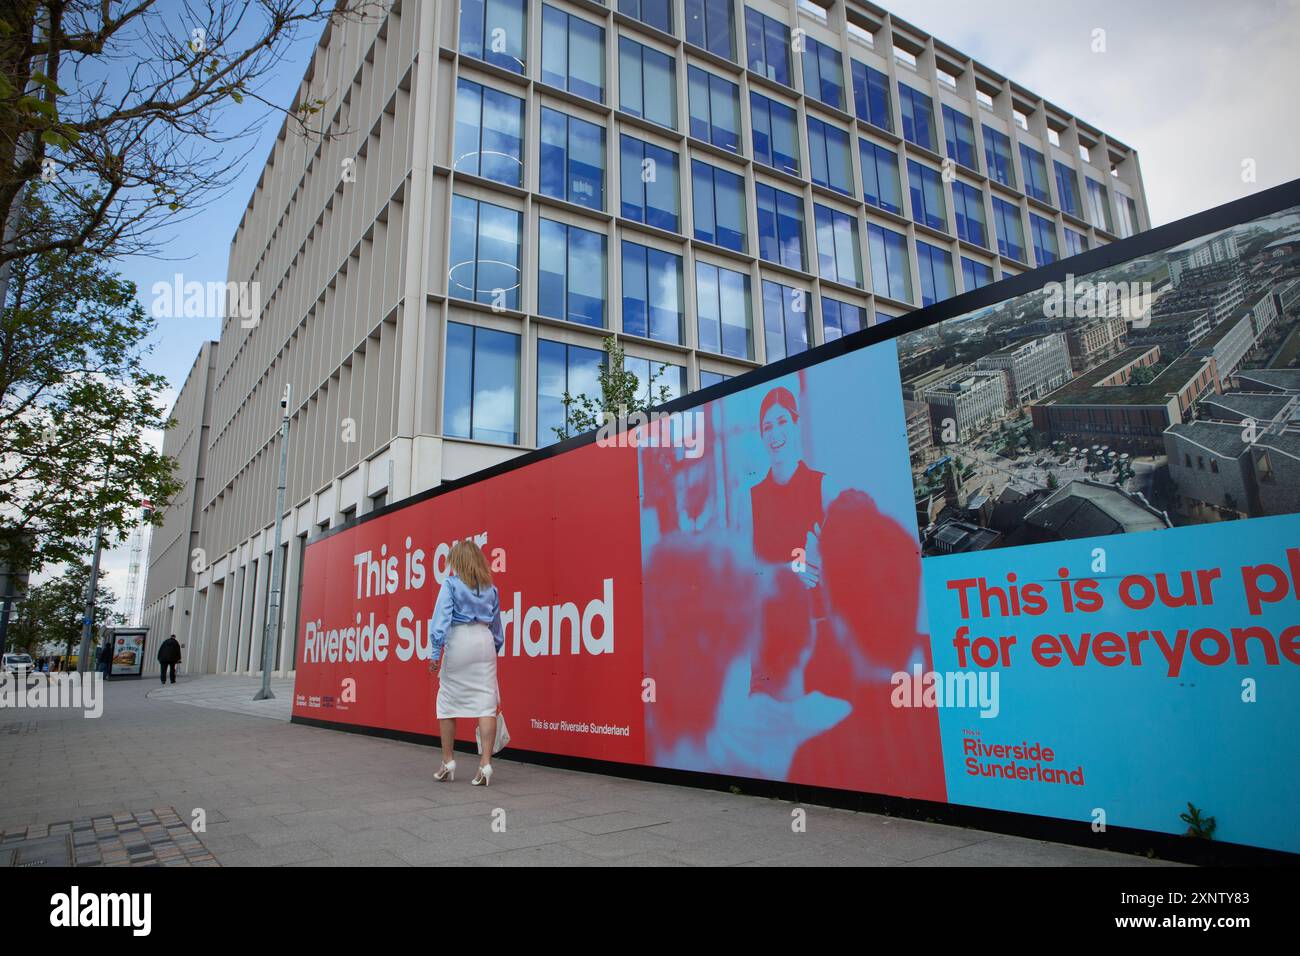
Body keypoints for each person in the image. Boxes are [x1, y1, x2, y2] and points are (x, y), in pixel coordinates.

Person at [427, 541, 503, 787]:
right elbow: (498, 628)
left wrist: (435, 653)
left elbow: (441, 619)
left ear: (457, 562)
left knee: (447, 702)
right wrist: (494, 649)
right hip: (485, 640)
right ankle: (485, 764)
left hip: (459, 640)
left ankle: (448, 762)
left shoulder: (450, 584)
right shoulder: (491, 589)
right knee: (486, 703)